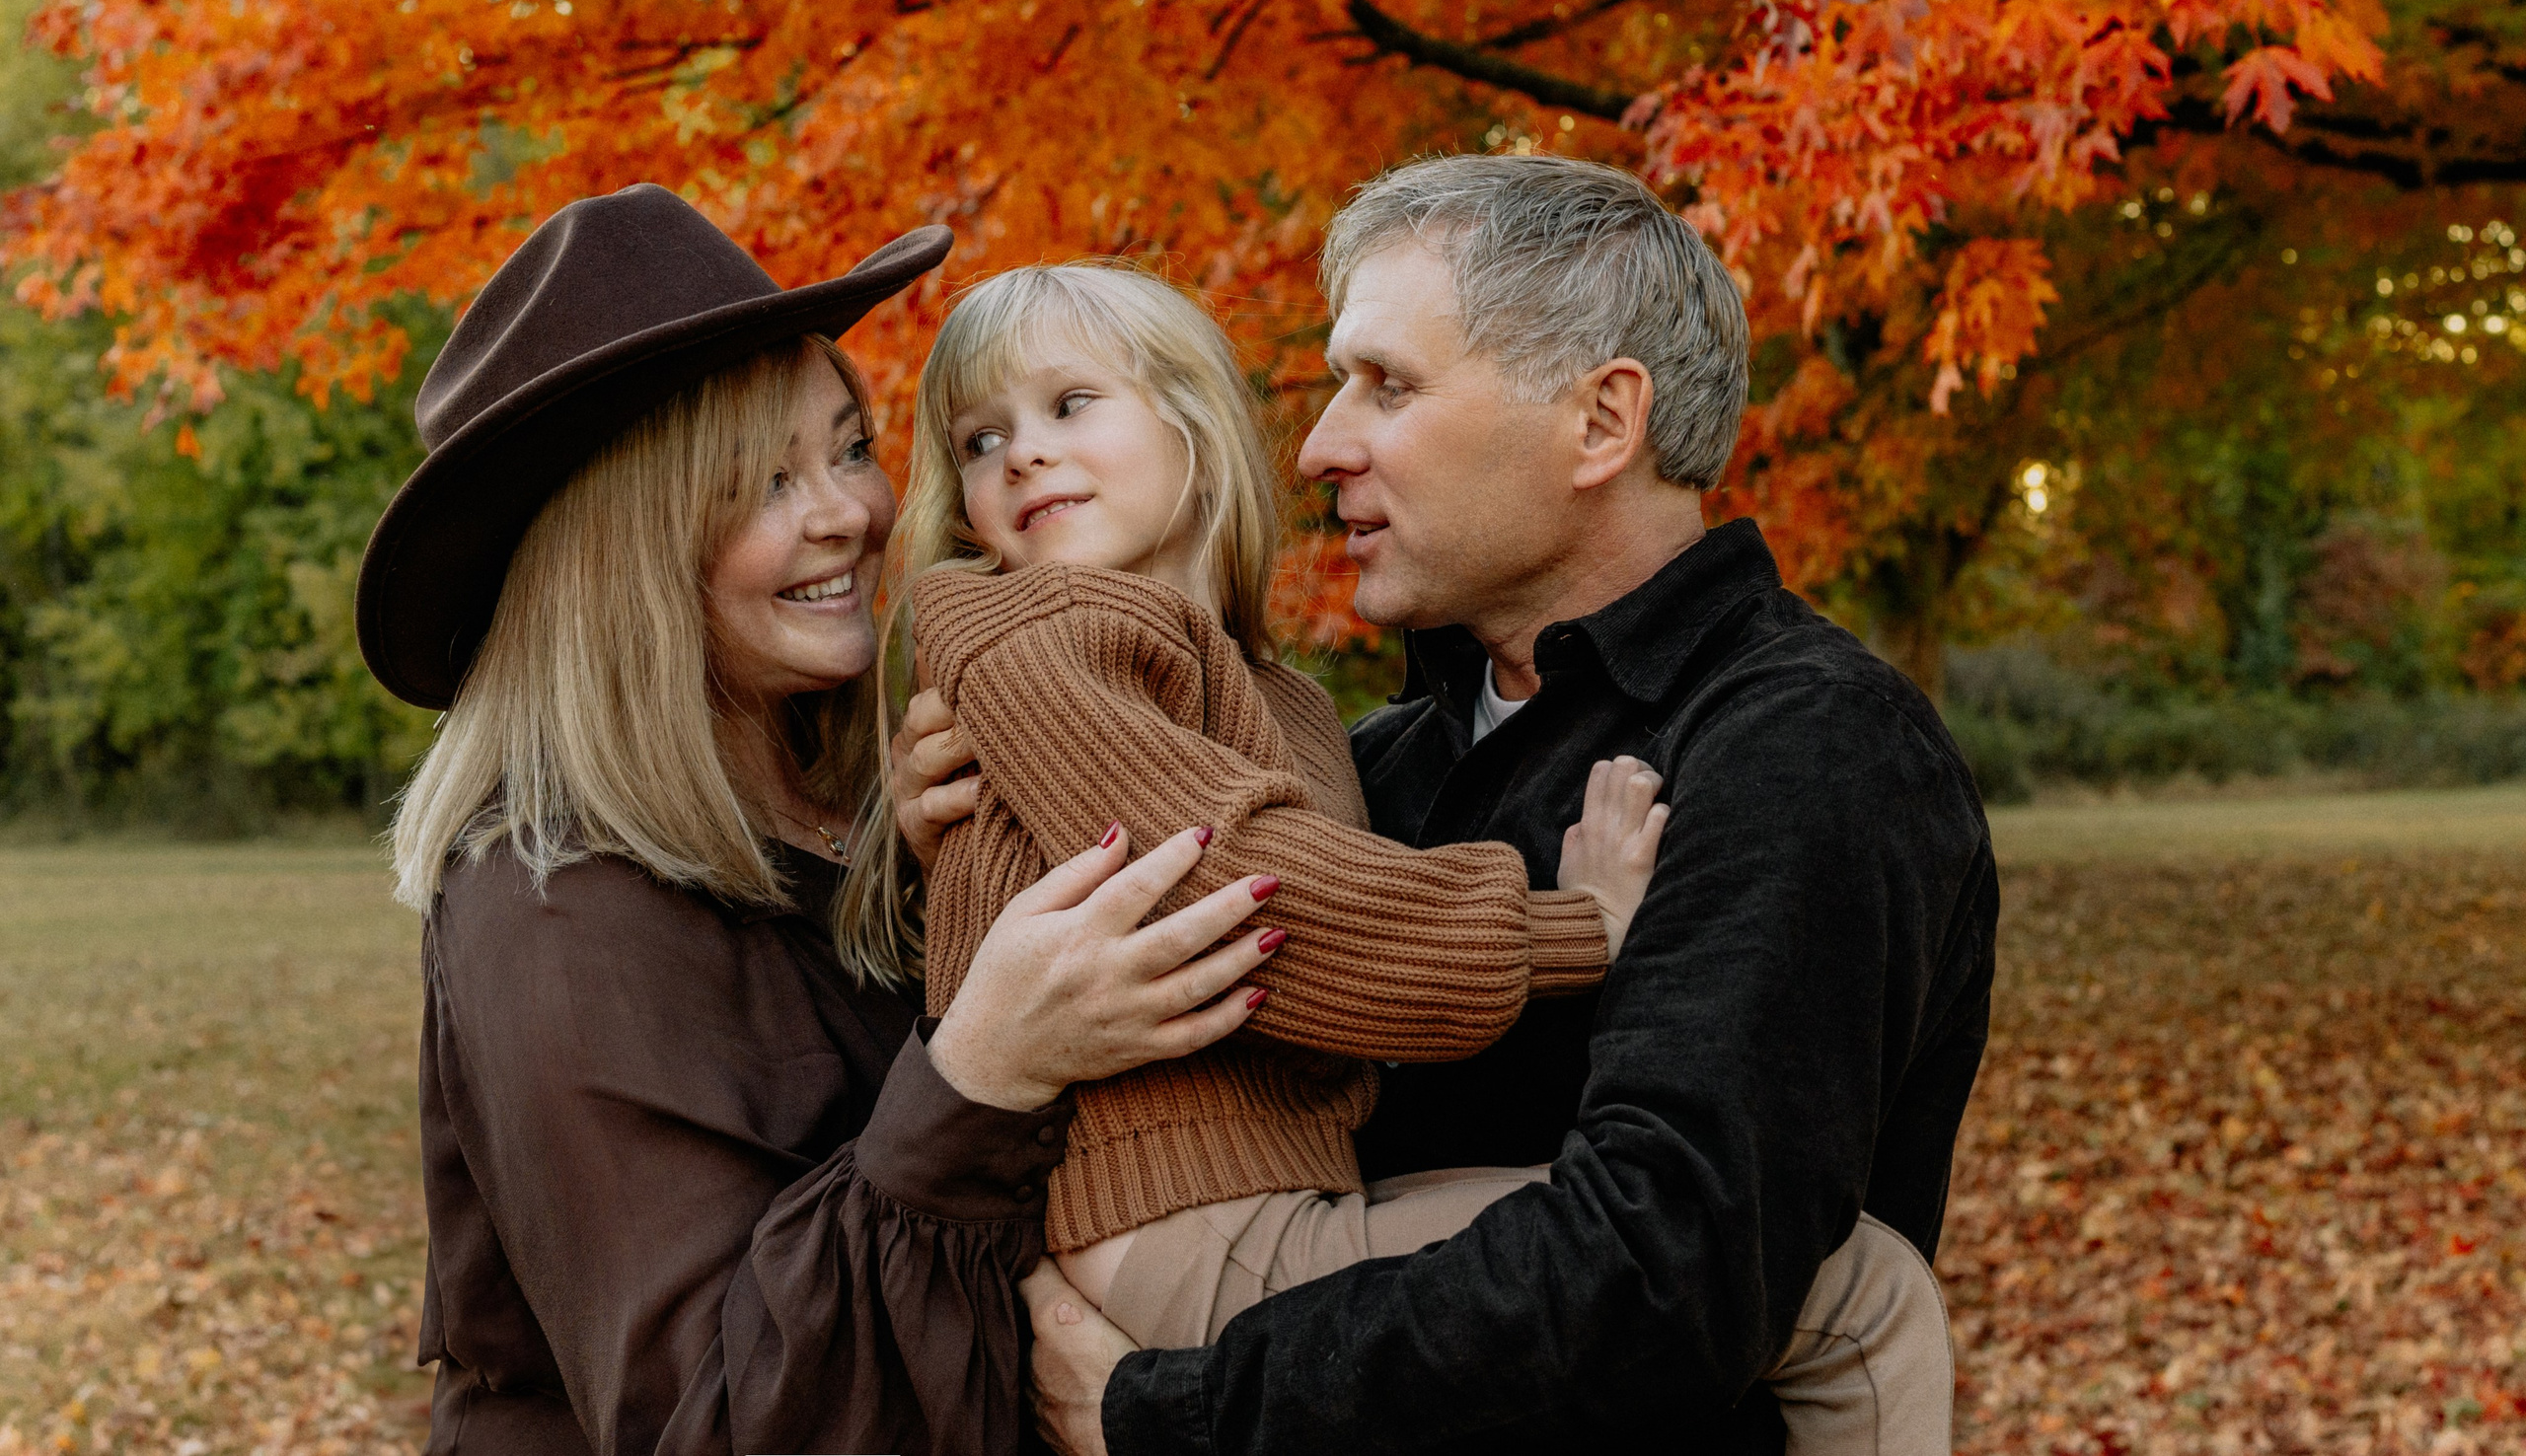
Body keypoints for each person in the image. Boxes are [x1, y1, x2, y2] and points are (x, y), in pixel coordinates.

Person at [888, 256, 1967, 1452]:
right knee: (1866, 1306)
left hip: (1265, 1235)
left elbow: (1674, 1258)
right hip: (1188, 1215)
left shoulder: (1796, 737)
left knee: (1860, 1293)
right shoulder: (1358, 742)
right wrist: (1576, 928)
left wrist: (1170, 1417)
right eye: (980, 441)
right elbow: (1268, 901)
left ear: (1601, 422)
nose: (1319, 446)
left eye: (1386, 385)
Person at [354, 185, 1278, 1456]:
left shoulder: (877, 796)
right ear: (626, 553)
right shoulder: (550, 903)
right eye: (762, 484)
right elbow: (721, 1422)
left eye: (847, 448)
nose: (848, 512)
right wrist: (982, 1073)